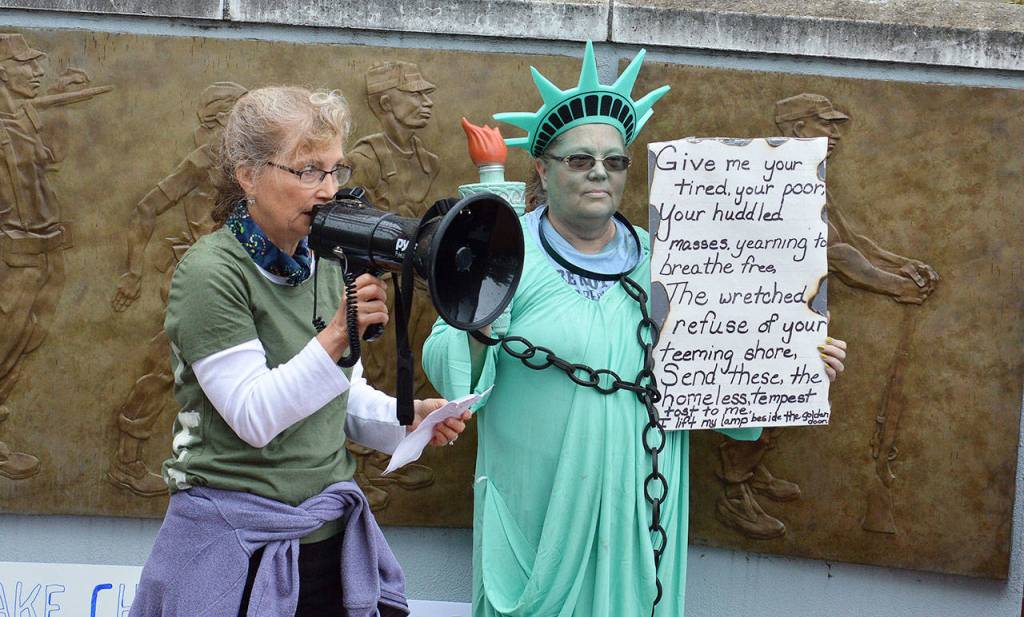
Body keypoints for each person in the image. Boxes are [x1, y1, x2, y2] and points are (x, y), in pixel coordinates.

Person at [422, 42, 847, 616]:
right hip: (536, 506)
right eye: (579, 159)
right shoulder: (507, 254)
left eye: (614, 160)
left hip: (640, 495)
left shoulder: (670, 263)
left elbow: (730, 377)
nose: (600, 171)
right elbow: (443, 358)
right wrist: (478, 327)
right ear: (542, 171)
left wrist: (793, 363)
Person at [129, 86, 469, 617]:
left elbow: (338, 398)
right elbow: (255, 416)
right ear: (248, 175)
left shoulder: (326, 262)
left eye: (336, 170)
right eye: (309, 170)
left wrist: (403, 420)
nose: (329, 189)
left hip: (327, 542)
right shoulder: (211, 272)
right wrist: (336, 335)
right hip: (235, 548)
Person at [107, 81, 248, 497]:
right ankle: (128, 460)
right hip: (200, 280)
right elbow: (146, 208)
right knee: (161, 366)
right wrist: (132, 272)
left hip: (250, 279)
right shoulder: (202, 162)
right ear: (222, 120)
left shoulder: (264, 164)